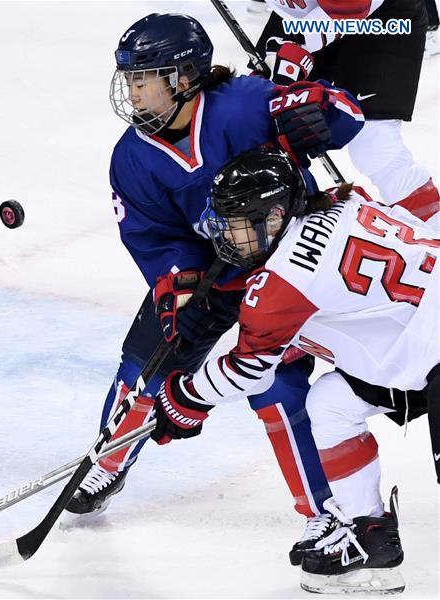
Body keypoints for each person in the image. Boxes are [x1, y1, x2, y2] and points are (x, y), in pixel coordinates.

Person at [64, 12, 366, 565]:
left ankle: (323, 511)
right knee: (144, 365)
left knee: (275, 383)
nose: (133, 92)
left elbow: (347, 114)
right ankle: (107, 463)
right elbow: (154, 236)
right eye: (129, 79)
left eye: (145, 79)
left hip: (287, 260)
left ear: (185, 77)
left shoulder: (244, 103)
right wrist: (176, 286)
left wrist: (317, 110)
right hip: (211, 269)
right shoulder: (131, 157)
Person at [151, 146, 439, 594]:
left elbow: (249, 371)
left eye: (236, 222)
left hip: (431, 347)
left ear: (274, 217)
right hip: (420, 345)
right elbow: (350, 300)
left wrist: (186, 397)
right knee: (331, 403)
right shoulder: (343, 199)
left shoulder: (282, 283)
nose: (226, 234)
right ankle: (370, 535)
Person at [255, 0, 439, 217]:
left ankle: (432, 223)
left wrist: (298, 42)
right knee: (257, 116)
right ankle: (265, 224)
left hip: (380, 14)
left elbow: (354, 4)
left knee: (374, 144)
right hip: (299, 14)